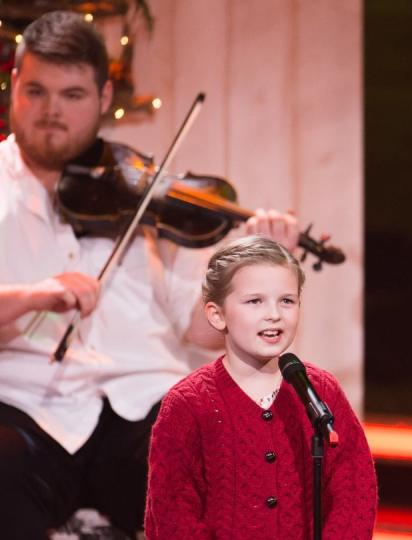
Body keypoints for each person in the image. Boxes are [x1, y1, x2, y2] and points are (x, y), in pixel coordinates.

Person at [0, 11, 300, 538]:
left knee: (223, 463)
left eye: (72, 95)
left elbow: (202, 330)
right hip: (26, 406)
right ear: (13, 88)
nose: (51, 112)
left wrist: (260, 279)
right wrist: (32, 296)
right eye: (36, 92)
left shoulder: (146, 193)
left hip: (142, 400)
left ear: (104, 96)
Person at [144, 236, 377, 539]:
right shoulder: (188, 402)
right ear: (217, 314)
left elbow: (354, 485)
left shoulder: (319, 390)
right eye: (255, 301)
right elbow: (172, 509)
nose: (274, 314)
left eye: (287, 301)